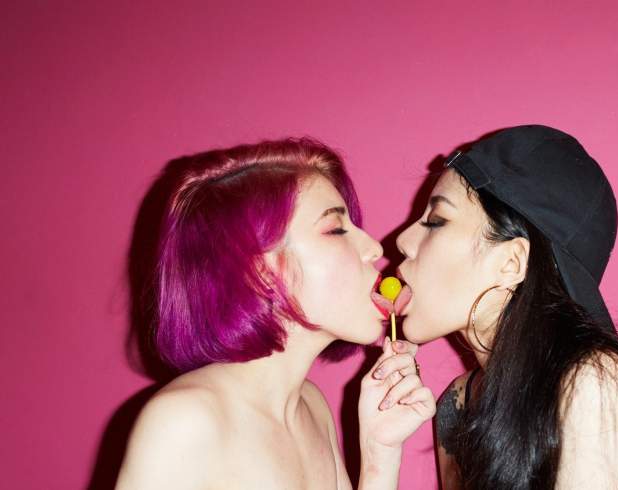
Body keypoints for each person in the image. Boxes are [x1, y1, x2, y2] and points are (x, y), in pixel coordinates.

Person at [116, 138, 435, 489]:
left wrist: (379, 456)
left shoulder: (312, 408)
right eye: (336, 229)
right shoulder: (185, 422)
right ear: (260, 273)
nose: (374, 248)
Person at [393, 125, 618, 489]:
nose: (402, 240)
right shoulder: (457, 406)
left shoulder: (591, 384)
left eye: (436, 221)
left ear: (511, 262)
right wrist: (379, 455)